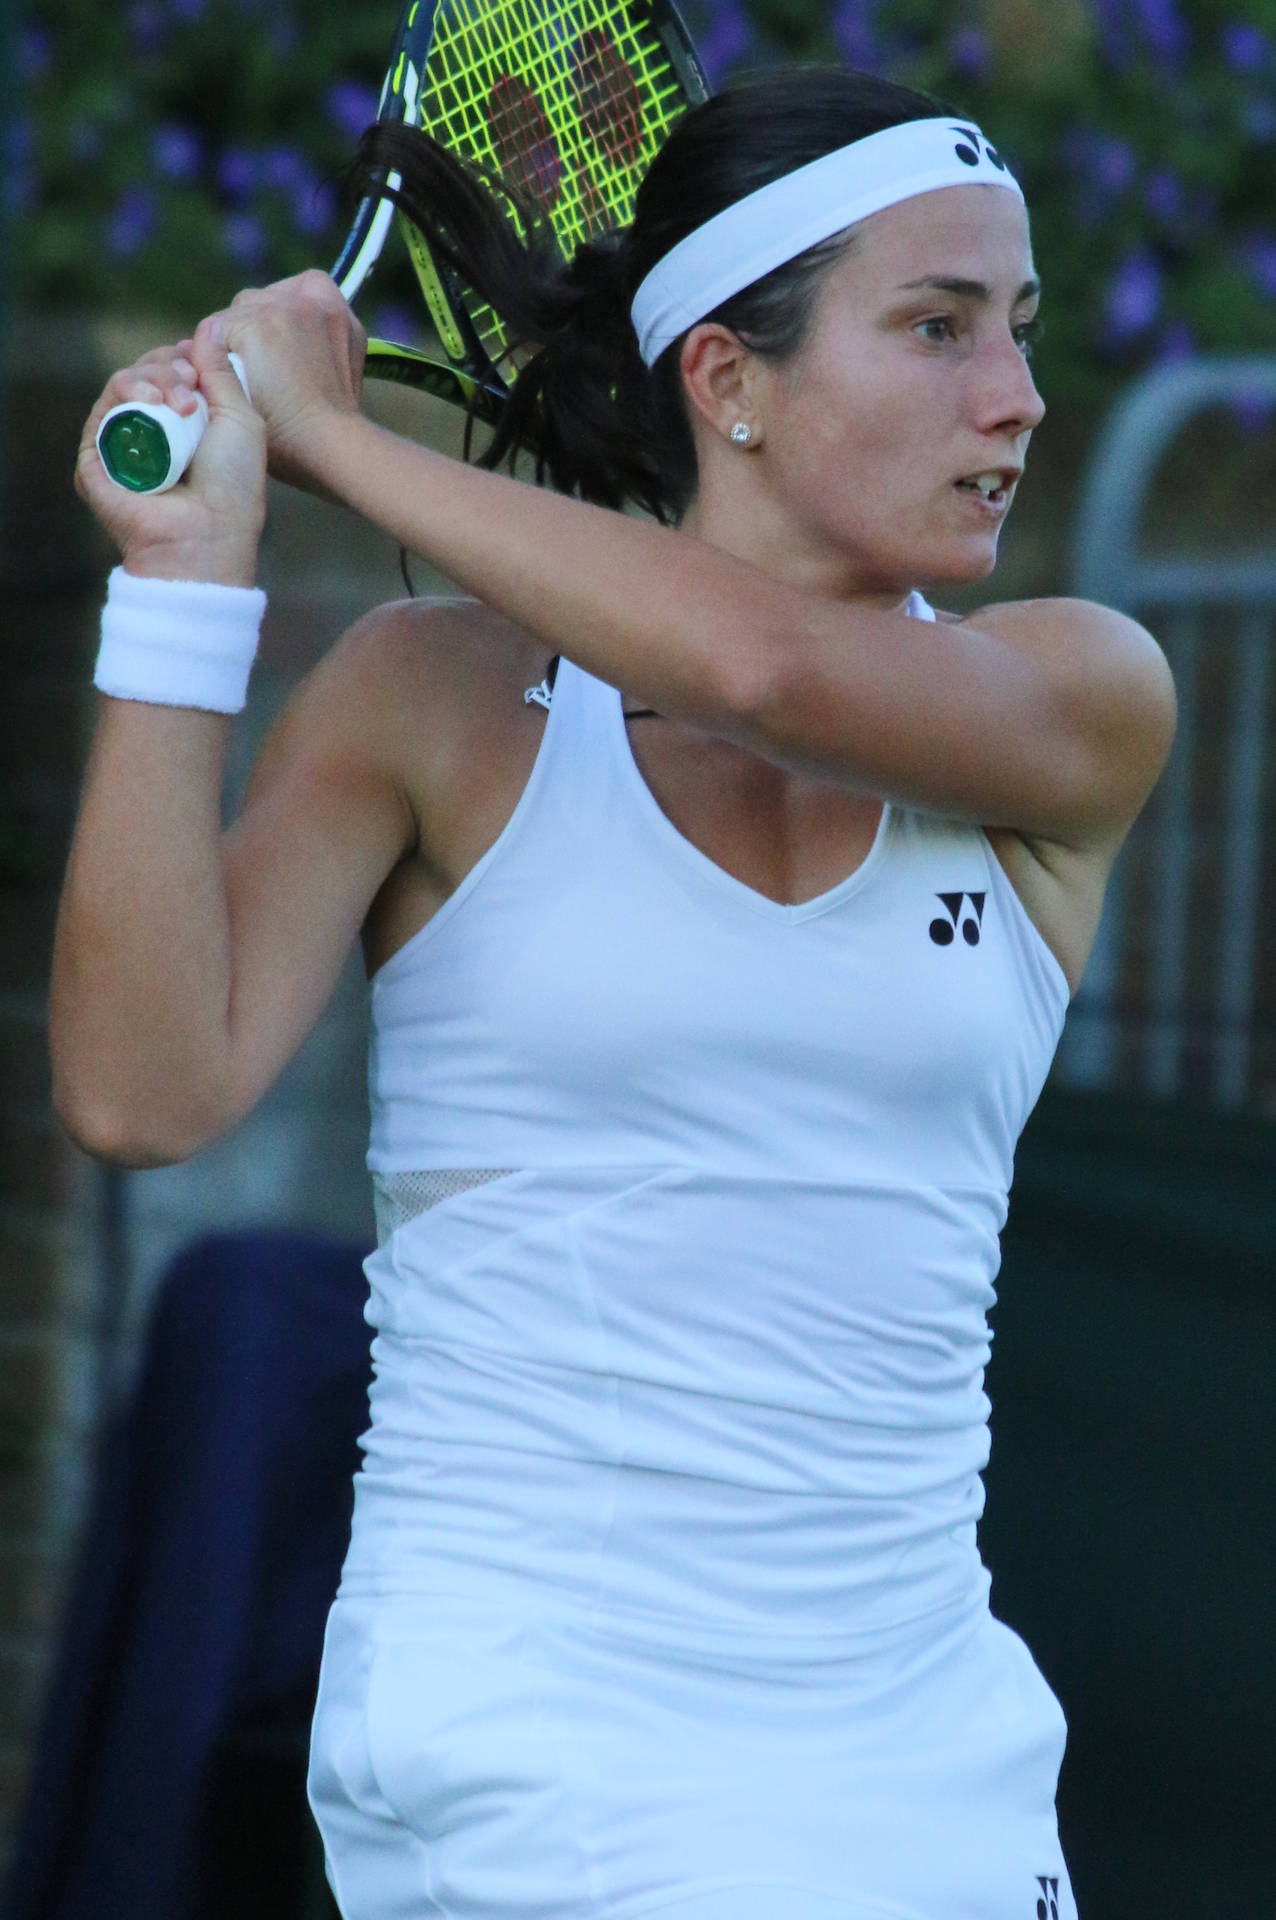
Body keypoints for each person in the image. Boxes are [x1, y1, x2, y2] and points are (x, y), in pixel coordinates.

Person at [54, 64, 1175, 1920]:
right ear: (727, 382)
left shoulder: (1078, 696)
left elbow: (760, 667)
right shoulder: (429, 696)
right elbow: (142, 1094)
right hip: (528, 1741)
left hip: (933, 1764)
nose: (1019, 397)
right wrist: (186, 582)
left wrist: (336, 438)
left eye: (1023, 332)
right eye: (937, 326)